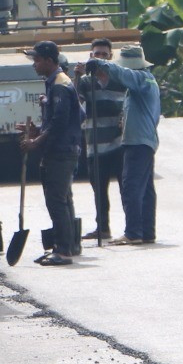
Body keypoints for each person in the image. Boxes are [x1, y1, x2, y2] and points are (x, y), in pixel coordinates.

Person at [88, 45, 162, 245]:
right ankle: (146, 231)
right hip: (143, 140)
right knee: (145, 189)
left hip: (138, 141)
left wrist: (100, 63)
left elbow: (122, 73)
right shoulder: (144, 82)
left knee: (131, 186)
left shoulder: (140, 78)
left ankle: (133, 232)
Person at [19, 39, 82, 266]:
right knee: (60, 199)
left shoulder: (59, 85)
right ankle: (65, 246)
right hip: (59, 148)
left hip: (61, 151)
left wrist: (36, 141)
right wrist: (37, 130)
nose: (34, 64)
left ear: (48, 60)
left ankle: (64, 250)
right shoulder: (54, 82)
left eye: (36, 60)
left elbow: (60, 123)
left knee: (57, 201)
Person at [75, 37, 124, 240]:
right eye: (97, 54)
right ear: (91, 56)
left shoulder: (121, 80)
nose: (101, 58)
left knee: (125, 188)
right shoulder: (86, 82)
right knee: (99, 191)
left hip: (119, 144)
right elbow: (76, 104)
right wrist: (76, 77)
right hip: (94, 145)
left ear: (111, 57)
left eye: (105, 54)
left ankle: (132, 228)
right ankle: (102, 228)